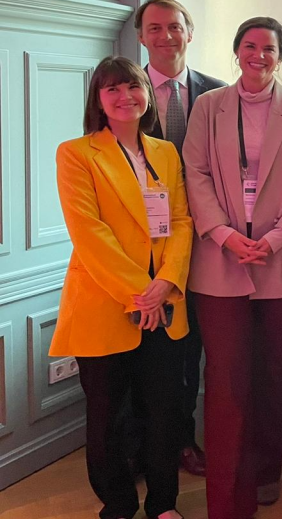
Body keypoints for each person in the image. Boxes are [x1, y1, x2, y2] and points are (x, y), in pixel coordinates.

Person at [182, 17, 282, 519]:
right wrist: (223, 234)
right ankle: (226, 491)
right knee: (224, 378)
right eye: (249, 45)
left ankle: (264, 473)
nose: (258, 54)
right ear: (236, 51)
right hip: (220, 260)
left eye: (268, 47)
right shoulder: (208, 107)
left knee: (272, 372)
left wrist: (277, 237)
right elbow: (194, 172)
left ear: (280, 55)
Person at [51, 56, 192, 519]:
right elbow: (90, 234)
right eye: (112, 89)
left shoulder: (166, 153)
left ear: (147, 95)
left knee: (164, 414)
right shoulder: (76, 153)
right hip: (106, 304)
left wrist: (166, 282)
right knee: (108, 418)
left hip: (165, 303)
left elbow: (181, 222)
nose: (125, 96)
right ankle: (117, 504)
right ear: (98, 100)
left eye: (133, 87)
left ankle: (163, 504)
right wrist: (141, 292)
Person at [135, 0, 226, 477]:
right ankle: (143, 447)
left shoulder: (217, 93)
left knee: (188, 349)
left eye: (175, 27)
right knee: (143, 351)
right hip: (141, 248)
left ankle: (182, 440)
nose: (166, 36)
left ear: (190, 32)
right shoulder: (125, 91)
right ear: (141, 36)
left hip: (204, 244)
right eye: (155, 28)